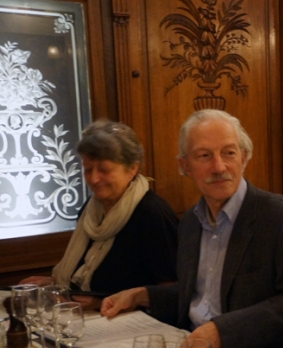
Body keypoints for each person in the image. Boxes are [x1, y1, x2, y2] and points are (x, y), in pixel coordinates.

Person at [101, 110, 283, 348]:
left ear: (244, 156)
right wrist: (142, 295)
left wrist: (221, 332)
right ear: (185, 165)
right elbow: (203, 295)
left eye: (228, 153)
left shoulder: (282, 218)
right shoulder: (190, 222)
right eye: (204, 156)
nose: (218, 167)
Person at [21, 120, 178, 309]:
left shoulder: (152, 214)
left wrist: (101, 303)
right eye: (88, 170)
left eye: (104, 170)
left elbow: (172, 293)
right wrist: (53, 283)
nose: (94, 179)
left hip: (130, 326)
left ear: (132, 169)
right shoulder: (91, 208)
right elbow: (85, 273)